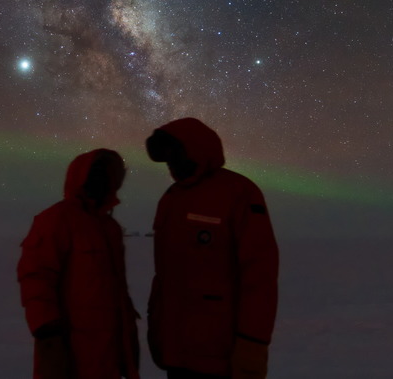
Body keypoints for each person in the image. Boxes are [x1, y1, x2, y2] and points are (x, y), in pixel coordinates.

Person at [145, 118, 279, 379]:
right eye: (167, 156)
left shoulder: (238, 193)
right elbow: (165, 275)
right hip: (176, 348)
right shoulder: (172, 198)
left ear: (194, 149)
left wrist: (253, 342)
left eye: (176, 153)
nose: (172, 163)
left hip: (220, 352)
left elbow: (259, 275)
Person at [17, 149, 141, 379]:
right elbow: (36, 277)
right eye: (95, 173)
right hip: (71, 348)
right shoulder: (57, 219)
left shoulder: (109, 227)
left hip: (108, 349)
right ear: (79, 176)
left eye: (107, 175)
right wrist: (47, 331)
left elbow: (117, 291)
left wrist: (128, 341)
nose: (101, 180)